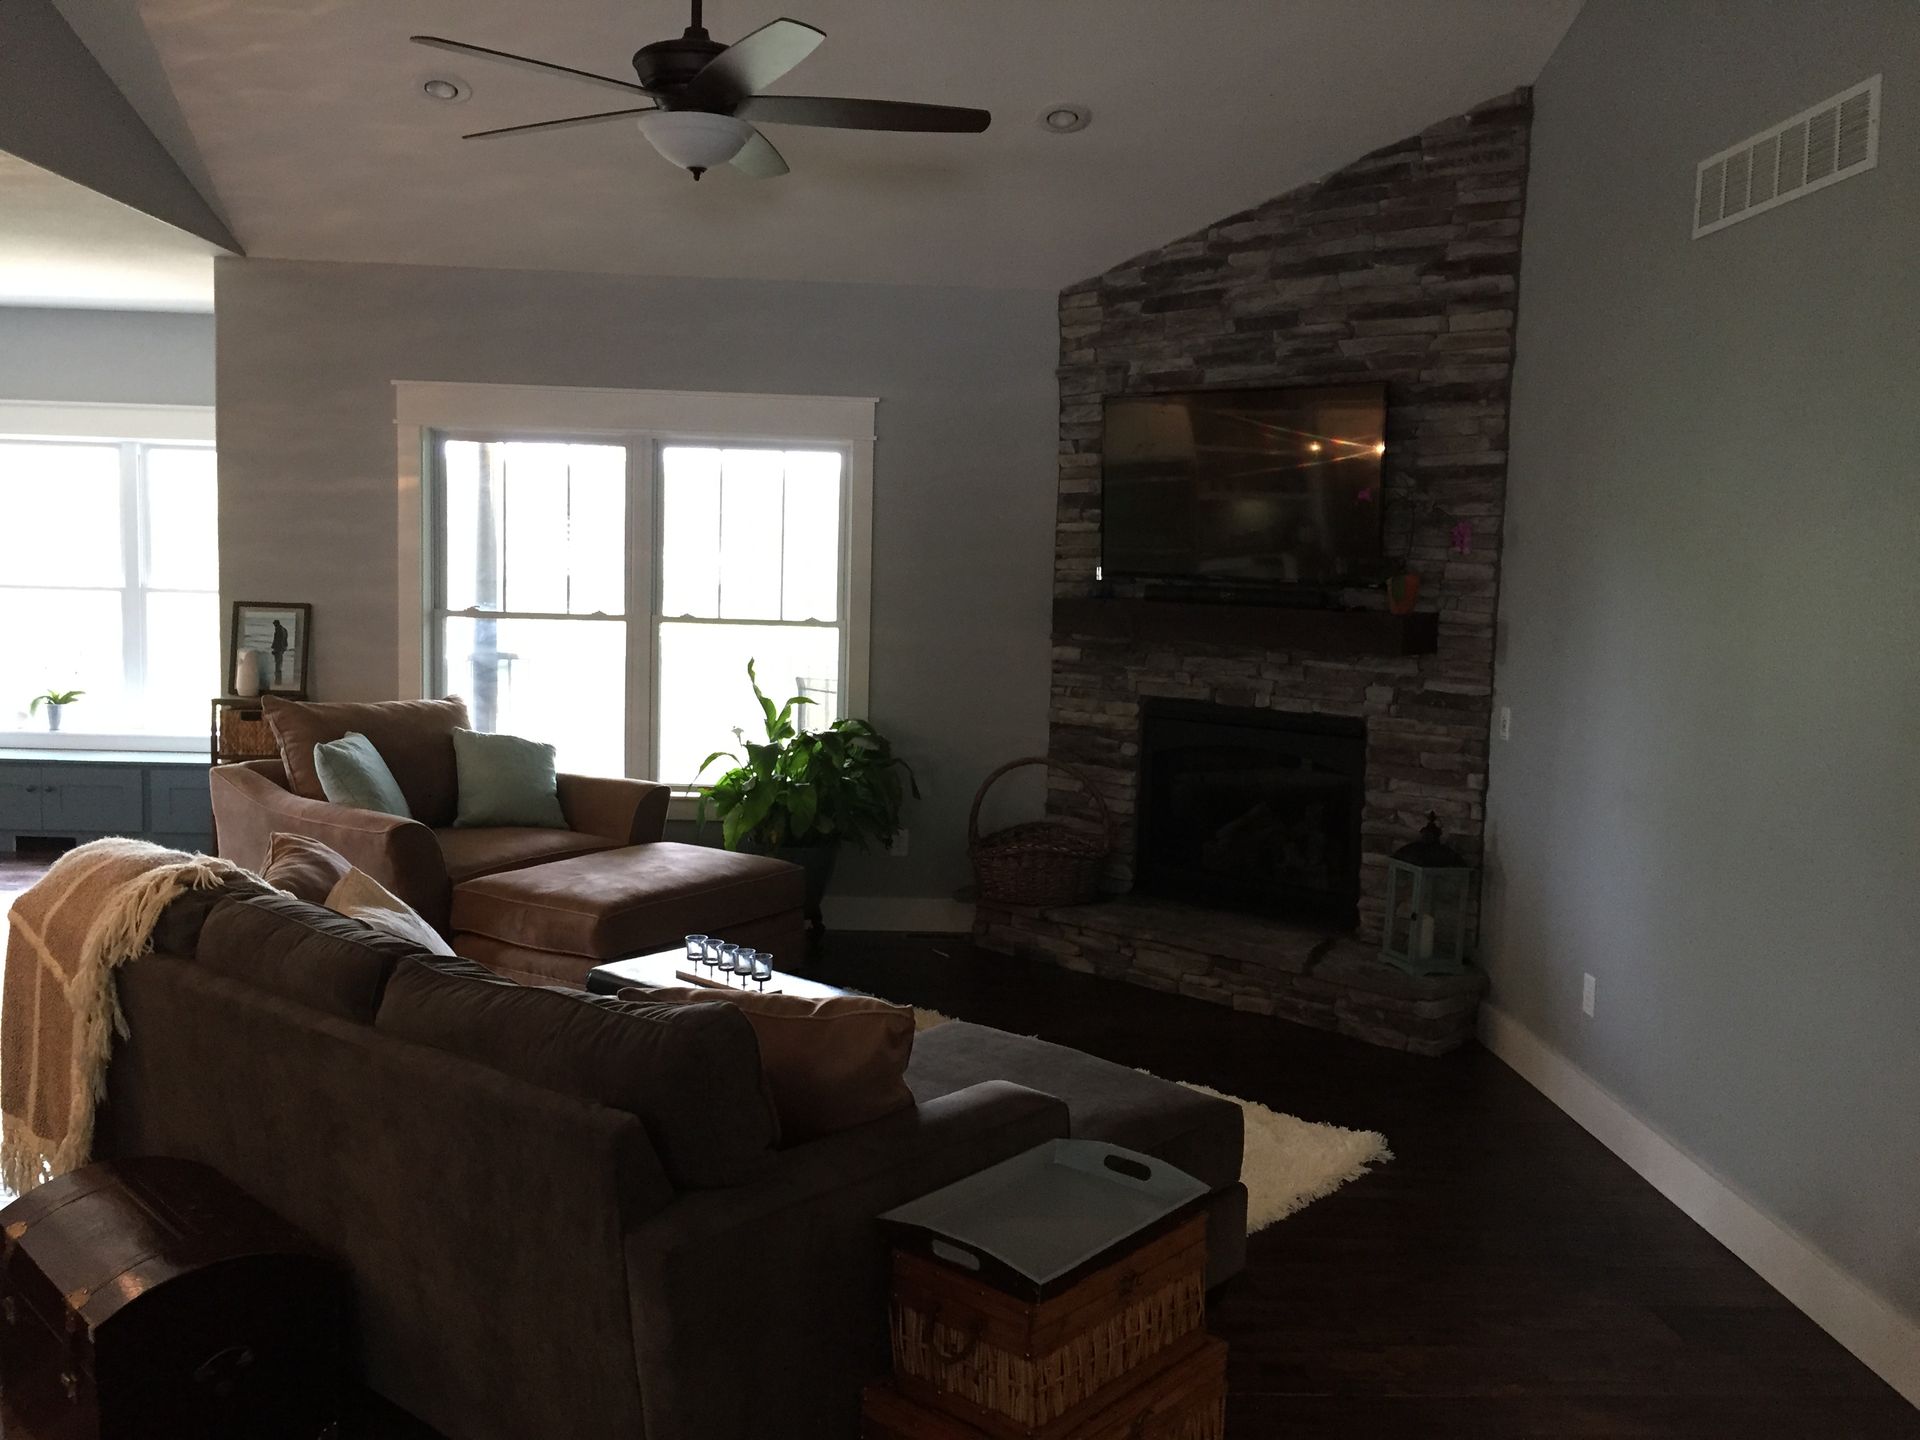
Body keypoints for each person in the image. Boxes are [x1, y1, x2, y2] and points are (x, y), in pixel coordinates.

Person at [271, 619, 290, 686]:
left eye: (274, 624)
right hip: (282, 648)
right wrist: (284, 647)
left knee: (277, 663)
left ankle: (278, 681)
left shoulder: (278, 629)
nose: (274, 626)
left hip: (279, 648)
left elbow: (277, 640)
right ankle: (279, 680)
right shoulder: (284, 629)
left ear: (276, 624)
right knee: (279, 662)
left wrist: (274, 648)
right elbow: (285, 639)